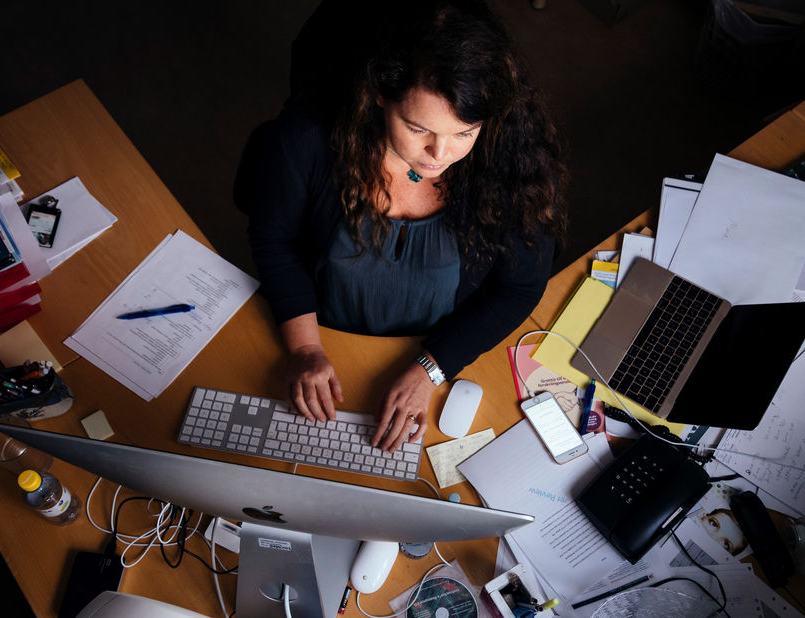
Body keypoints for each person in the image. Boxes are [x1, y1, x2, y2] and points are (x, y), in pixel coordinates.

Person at [241, 0, 567, 453]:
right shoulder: (307, 138)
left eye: (464, 133)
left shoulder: (513, 161)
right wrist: (304, 350)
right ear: (379, 94)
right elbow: (275, 241)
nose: (439, 154)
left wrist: (429, 369)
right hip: (323, 332)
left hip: (437, 346)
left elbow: (517, 288)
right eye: (418, 129)